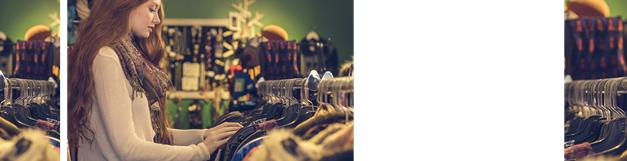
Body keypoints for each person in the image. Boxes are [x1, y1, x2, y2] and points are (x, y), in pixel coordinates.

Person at [66, 0, 242, 160]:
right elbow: (128, 149)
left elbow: (150, 135)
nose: (157, 19)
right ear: (125, 5)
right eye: (152, 9)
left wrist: (203, 135)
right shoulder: (108, 58)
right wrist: (201, 151)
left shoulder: (129, 59)